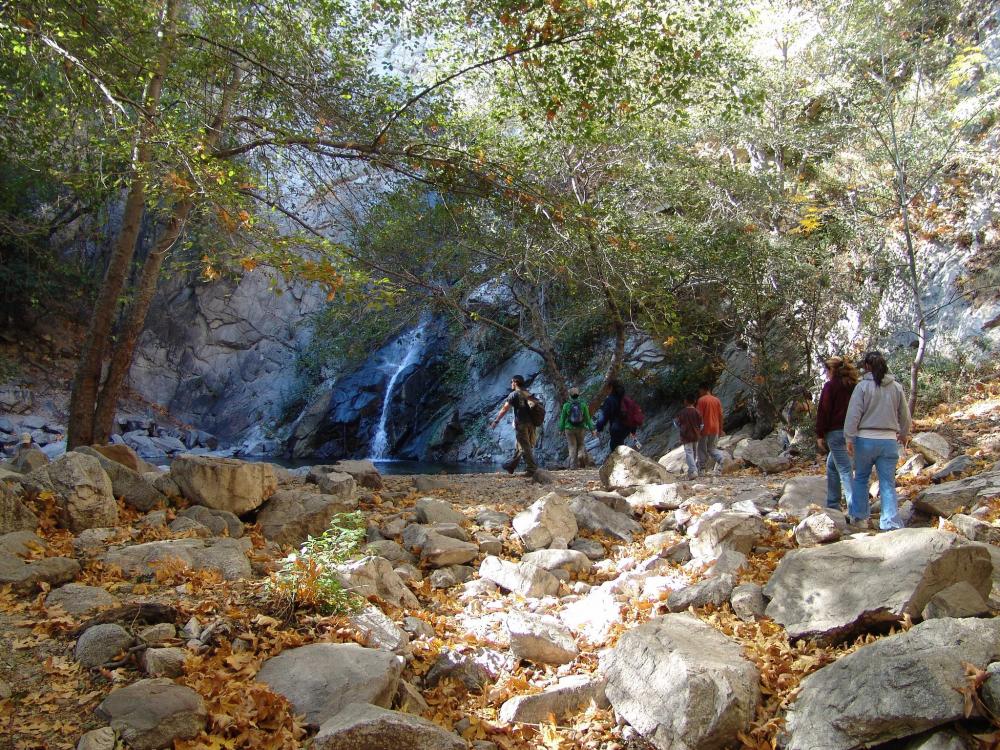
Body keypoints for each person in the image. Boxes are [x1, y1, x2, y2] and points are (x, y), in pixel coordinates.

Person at [844, 351, 911, 530]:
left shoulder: (862, 387)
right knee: (887, 482)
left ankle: (859, 518)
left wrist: (849, 437)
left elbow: (853, 415)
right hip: (888, 440)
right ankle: (889, 522)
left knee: (861, 479)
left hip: (864, 439)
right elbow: (904, 415)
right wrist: (903, 434)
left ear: (866, 367)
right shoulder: (896, 387)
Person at [816, 356, 860, 511]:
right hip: (853, 431)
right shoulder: (854, 386)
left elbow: (824, 411)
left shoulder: (830, 386)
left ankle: (856, 510)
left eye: (826, 371)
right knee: (832, 466)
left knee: (845, 470)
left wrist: (820, 434)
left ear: (831, 370)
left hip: (835, 433)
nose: (825, 374)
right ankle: (833, 504)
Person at [490, 375, 538, 476]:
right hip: (531, 424)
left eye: (511, 382)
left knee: (525, 447)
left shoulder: (514, 394)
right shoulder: (527, 393)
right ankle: (511, 466)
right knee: (520, 446)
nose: (511, 384)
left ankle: (532, 469)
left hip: (521, 424)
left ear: (515, 382)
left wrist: (496, 421)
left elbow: (504, 409)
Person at [558, 387, 597, 469]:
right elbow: (587, 418)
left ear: (570, 395)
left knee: (572, 446)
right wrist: (592, 429)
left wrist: (561, 429)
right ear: (578, 395)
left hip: (569, 429)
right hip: (581, 428)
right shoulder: (583, 405)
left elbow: (562, 418)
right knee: (581, 444)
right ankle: (580, 455)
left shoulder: (566, 405)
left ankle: (573, 466)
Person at [595, 379, 632, 451]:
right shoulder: (624, 397)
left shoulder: (610, 400)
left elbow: (604, 416)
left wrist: (598, 428)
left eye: (607, 388)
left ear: (611, 388)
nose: (606, 391)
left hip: (617, 428)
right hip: (628, 426)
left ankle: (624, 461)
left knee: (615, 447)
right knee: (620, 444)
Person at [696, 383, 725, 474]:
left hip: (704, 428)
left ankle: (702, 469)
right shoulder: (717, 400)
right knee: (712, 448)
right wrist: (720, 429)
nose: (699, 392)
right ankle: (721, 459)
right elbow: (720, 416)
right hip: (715, 428)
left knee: (701, 449)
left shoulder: (701, 400)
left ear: (703, 390)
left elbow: (698, 416)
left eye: (699, 390)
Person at [673, 395, 703, 480]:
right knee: (694, 453)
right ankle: (692, 471)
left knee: (689, 453)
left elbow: (676, 423)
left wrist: (681, 429)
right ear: (694, 401)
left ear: (686, 401)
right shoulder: (697, 412)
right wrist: (698, 431)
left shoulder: (682, 412)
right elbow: (701, 425)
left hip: (686, 436)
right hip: (696, 435)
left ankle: (693, 470)